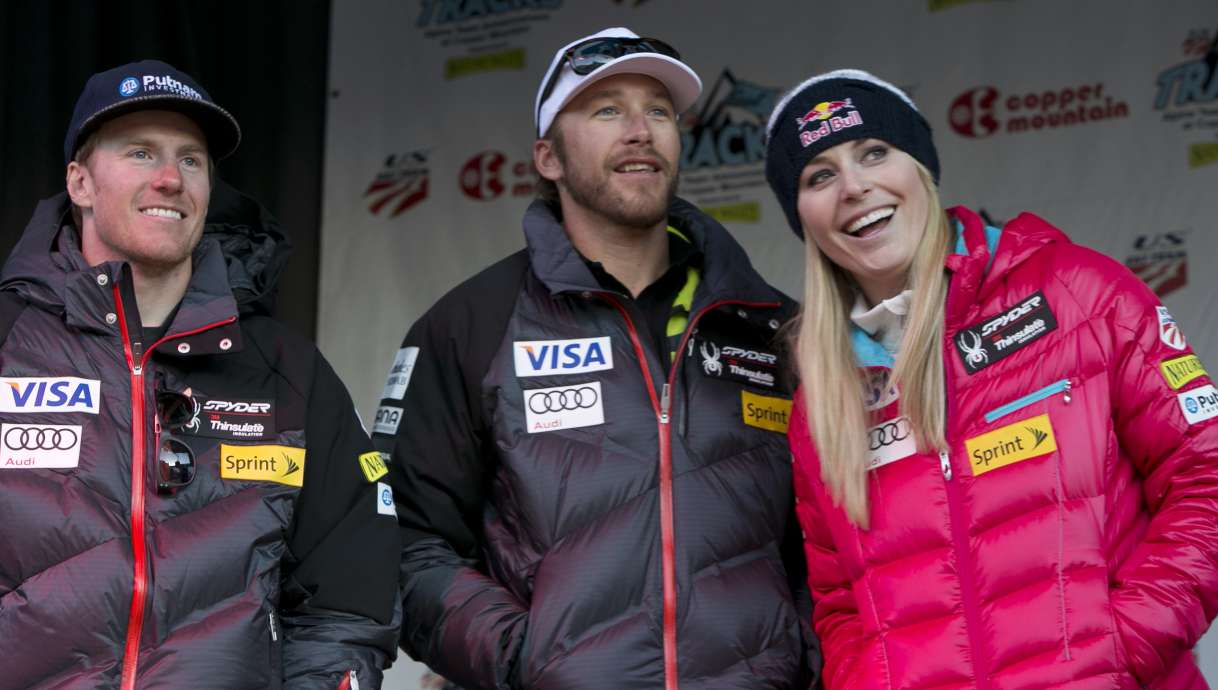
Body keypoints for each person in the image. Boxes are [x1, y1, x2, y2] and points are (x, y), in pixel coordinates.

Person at [376, 27, 817, 690]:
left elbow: (834, 544)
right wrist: (526, 658)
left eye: (660, 111)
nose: (640, 130)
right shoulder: (471, 325)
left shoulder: (771, 328)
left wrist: (801, 663)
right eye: (606, 110)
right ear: (548, 157)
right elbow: (403, 538)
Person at [765, 69, 1218, 689]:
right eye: (819, 175)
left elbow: (1211, 480)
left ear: (920, 168)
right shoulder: (820, 399)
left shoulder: (1075, 293)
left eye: (874, 152)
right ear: (802, 215)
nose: (854, 186)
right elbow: (841, 603)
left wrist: (1119, 652)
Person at [0, 60, 399, 689]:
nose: (169, 178)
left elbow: (347, 601)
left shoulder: (286, 370)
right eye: (140, 153)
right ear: (80, 181)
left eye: (191, 160)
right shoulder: (8, 340)